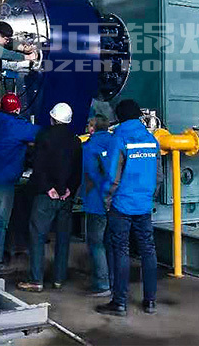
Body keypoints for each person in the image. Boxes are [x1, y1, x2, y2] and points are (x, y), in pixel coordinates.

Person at [96, 99, 162, 317]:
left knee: (121, 251)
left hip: (122, 205)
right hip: (144, 205)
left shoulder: (119, 138)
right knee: (148, 250)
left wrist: (107, 201)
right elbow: (158, 176)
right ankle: (150, 301)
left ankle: (120, 303)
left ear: (119, 117)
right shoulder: (151, 139)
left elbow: (112, 177)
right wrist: (148, 198)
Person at [17, 103, 82, 293]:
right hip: (65, 197)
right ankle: (59, 279)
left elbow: (38, 166)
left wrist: (48, 188)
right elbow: (78, 170)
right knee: (63, 238)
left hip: (46, 196)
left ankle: (36, 280)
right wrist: (69, 189)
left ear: (52, 118)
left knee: (37, 236)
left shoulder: (43, 136)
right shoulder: (75, 141)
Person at [0, 93, 40, 276]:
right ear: (18, 109)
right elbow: (42, 133)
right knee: (0, 223)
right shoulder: (17, 126)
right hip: (3, 184)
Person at [80, 114, 121, 298]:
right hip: (116, 202)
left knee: (96, 243)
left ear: (92, 128)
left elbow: (91, 174)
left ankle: (102, 284)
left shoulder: (89, 147)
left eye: (89, 125)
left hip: (96, 202)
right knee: (111, 243)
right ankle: (114, 281)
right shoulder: (116, 142)